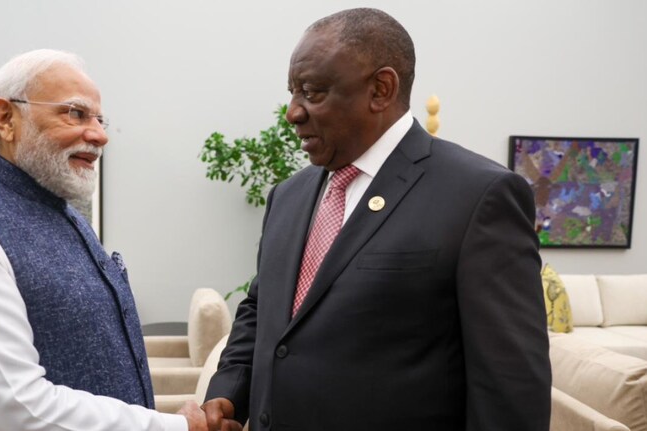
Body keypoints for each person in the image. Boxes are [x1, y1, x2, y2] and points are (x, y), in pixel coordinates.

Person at [203, 8, 551, 431]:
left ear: (381, 89)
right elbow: (261, 310)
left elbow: (510, 386)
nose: (292, 112)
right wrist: (228, 391)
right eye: (293, 93)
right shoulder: (288, 196)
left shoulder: (479, 196)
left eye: (312, 92)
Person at [0, 49, 232, 431]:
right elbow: (16, 407)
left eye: (99, 119)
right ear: (6, 119)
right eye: (76, 113)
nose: (100, 135)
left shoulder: (68, 217)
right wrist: (175, 427)